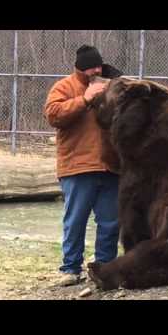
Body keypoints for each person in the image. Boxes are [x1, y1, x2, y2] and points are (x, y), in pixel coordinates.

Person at [44, 45, 123, 286]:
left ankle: (105, 268)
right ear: (80, 67)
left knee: (111, 222)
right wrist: (85, 99)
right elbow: (53, 114)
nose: (96, 70)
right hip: (78, 166)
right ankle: (70, 268)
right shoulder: (64, 87)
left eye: (99, 66)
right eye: (91, 66)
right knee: (75, 220)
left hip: (110, 167)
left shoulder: (110, 86)